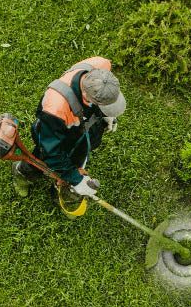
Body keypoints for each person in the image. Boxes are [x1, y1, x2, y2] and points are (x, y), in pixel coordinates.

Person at [12, 56, 126, 216]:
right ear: (86, 96)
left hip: (83, 132)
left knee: (76, 162)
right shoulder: (56, 108)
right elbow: (52, 151)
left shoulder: (101, 65)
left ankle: (60, 190)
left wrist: (106, 115)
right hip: (56, 136)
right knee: (43, 161)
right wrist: (77, 180)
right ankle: (23, 173)